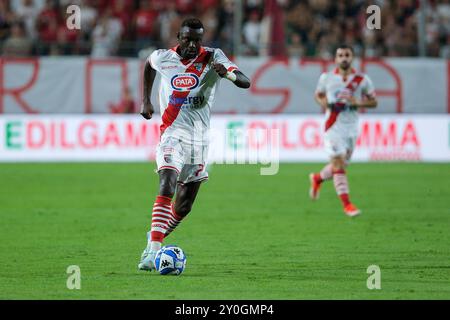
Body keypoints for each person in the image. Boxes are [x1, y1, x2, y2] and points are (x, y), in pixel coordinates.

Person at [138, 18, 251, 271]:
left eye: (197, 40)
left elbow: (246, 82)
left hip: (199, 140)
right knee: (166, 183)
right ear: (179, 36)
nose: (192, 44)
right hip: (171, 134)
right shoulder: (163, 57)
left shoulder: (213, 57)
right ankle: (153, 252)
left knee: (184, 205)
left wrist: (229, 74)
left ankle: (155, 237)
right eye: (187, 39)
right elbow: (148, 65)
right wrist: (146, 100)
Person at [309, 44, 377, 217]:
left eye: (347, 55)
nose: (344, 58)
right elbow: (318, 95)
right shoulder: (327, 78)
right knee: (338, 164)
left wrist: (358, 103)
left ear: (352, 57)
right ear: (336, 59)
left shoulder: (362, 80)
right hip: (333, 126)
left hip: (351, 129)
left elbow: (374, 102)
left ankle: (317, 178)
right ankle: (347, 205)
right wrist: (322, 102)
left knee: (338, 166)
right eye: (340, 55)